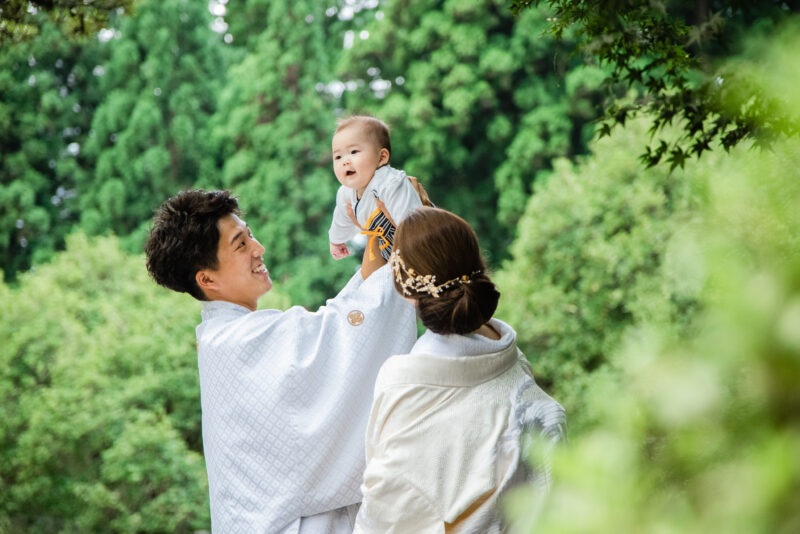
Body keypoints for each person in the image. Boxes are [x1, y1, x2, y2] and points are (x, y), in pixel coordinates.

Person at [144, 188, 423, 533]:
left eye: (250, 235)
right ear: (207, 279)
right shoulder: (240, 341)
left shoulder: (220, 338)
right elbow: (345, 334)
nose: (258, 249)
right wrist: (397, 233)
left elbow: (343, 319)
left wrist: (382, 236)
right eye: (240, 244)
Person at [353, 207, 567, 534]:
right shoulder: (522, 379)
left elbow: (385, 513)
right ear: (479, 265)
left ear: (404, 290)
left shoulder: (403, 384)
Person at [329, 115, 422, 262]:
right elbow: (341, 221)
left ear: (381, 158)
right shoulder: (345, 193)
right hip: (390, 257)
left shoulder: (389, 183)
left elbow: (414, 225)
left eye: (354, 152)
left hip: (421, 251)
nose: (345, 161)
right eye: (338, 157)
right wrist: (336, 241)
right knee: (358, 284)